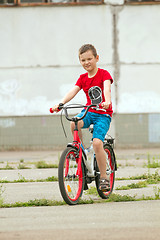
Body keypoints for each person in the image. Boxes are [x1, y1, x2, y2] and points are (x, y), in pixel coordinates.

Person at [52, 44, 113, 192]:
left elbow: (107, 88)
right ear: (80, 61)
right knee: (74, 123)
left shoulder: (104, 74)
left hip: (102, 114)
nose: (87, 62)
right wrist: (61, 104)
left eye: (89, 59)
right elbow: (73, 91)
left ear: (97, 58)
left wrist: (107, 101)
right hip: (89, 112)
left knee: (98, 143)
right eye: (83, 60)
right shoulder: (82, 78)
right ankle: (80, 152)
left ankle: (104, 177)